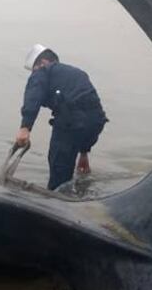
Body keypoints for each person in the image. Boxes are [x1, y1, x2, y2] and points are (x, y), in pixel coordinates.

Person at [14, 45, 108, 190]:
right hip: (95, 123)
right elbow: (89, 114)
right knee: (71, 177)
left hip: (70, 122)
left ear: (43, 62)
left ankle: (55, 199)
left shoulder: (43, 71)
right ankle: (77, 195)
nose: (34, 74)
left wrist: (25, 127)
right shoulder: (77, 73)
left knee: (59, 172)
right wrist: (84, 153)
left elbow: (33, 96)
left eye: (34, 70)